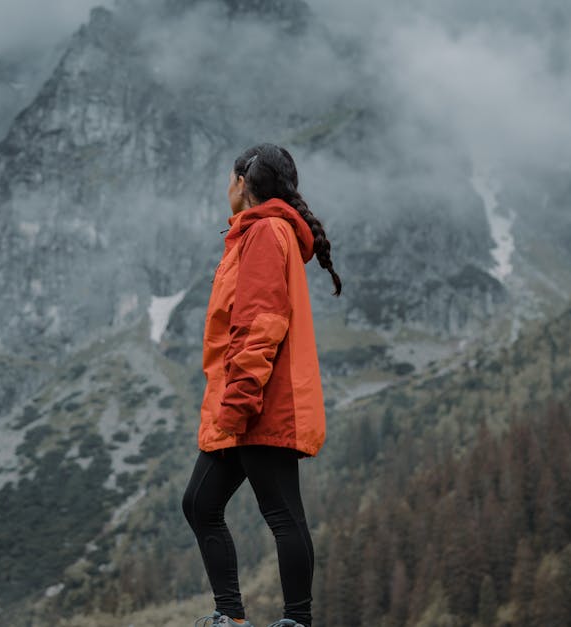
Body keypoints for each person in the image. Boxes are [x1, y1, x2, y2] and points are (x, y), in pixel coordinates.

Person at [183, 143, 341, 627]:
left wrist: (239, 401)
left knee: (281, 512)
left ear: (242, 181)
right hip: (248, 399)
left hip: (263, 402)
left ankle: (296, 620)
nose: (225, 188)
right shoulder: (257, 233)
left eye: (228, 179)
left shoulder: (266, 232)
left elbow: (261, 322)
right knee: (200, 503)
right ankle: (230, 616)